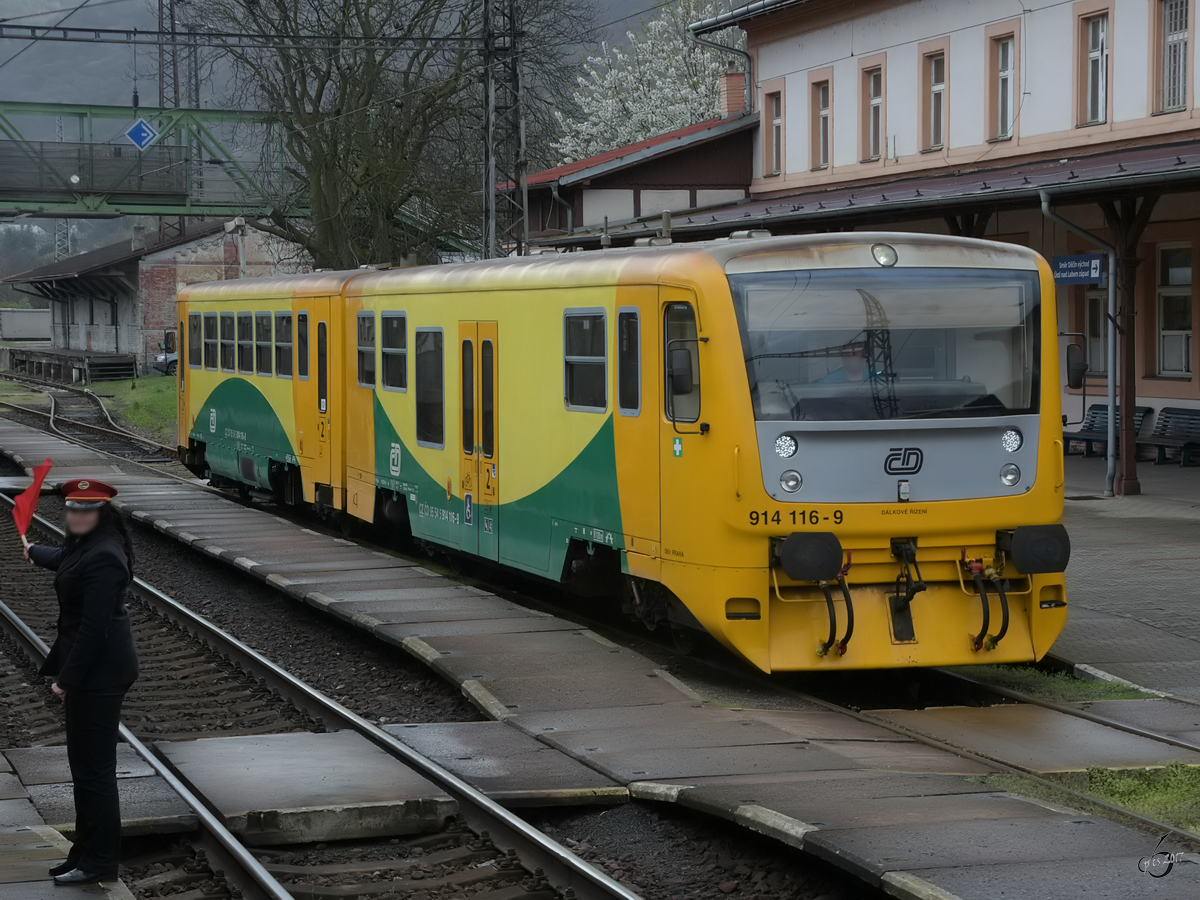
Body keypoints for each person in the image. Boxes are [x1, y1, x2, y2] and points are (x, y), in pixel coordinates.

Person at [22, 478, 139, 886]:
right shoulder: (84, 547)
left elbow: (95, 628)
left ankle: (101, 862)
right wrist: (35, 552)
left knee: (95, 773)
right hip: (93, 670)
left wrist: (66, 680)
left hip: (100, 673)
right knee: (83, 768)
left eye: (87, 509)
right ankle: (84, 854)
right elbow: (68, 563)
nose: (77, 515)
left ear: (102, 512)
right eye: (72, 508)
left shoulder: (105, 555)